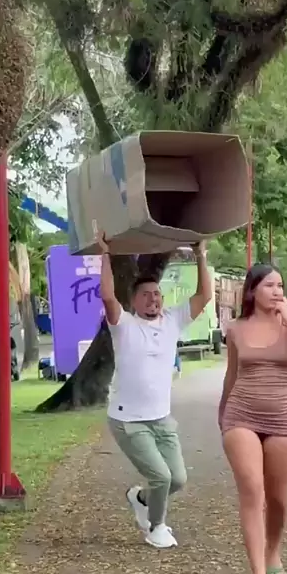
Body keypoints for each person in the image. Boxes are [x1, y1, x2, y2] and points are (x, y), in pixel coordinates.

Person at [98, 234, 212, 549]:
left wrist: (200, 255)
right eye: (146, 295)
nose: (153, 300)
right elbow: (107, 296)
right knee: (161, 476)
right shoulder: (124, 325)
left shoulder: (173, 320)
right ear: (134, 301)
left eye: (157, 294)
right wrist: (105, 254)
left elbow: (204, 295)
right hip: (128, 421)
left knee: (177, 479)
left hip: (161, 419)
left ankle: (142, 499)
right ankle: (156, 526)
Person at [218, 264, 287, 574]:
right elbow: (232, 375)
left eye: (280, 285)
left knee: (278, 499)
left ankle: (273, 552)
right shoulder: (236, 329)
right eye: (269, 285)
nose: (277, 291)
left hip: (282, 420)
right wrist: (223, 413)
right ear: (252, 291)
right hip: (241, 416)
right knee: (252, 490)